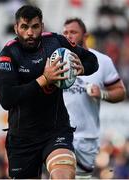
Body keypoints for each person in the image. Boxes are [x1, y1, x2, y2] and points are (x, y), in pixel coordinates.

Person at [0, 5, 99, 179]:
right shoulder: (9, 54)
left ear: (42, 27)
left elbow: (92, 60)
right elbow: (6, 99)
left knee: (64, 175)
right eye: (24, 27)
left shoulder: (56, 42)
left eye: (35, 27)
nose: (30, 32)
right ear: (16, 28)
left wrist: (82, 68)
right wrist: (44, 79)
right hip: (23, 139)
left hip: (56, 131)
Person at [62, 17, 126, 179]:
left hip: (87, 138)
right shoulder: (56, 61)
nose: (68, 36)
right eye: (65, 33)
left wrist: (102, 93)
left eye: (73, 32)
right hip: (60, 134)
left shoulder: (102, 61)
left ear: (85, 36)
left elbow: (120, 92)